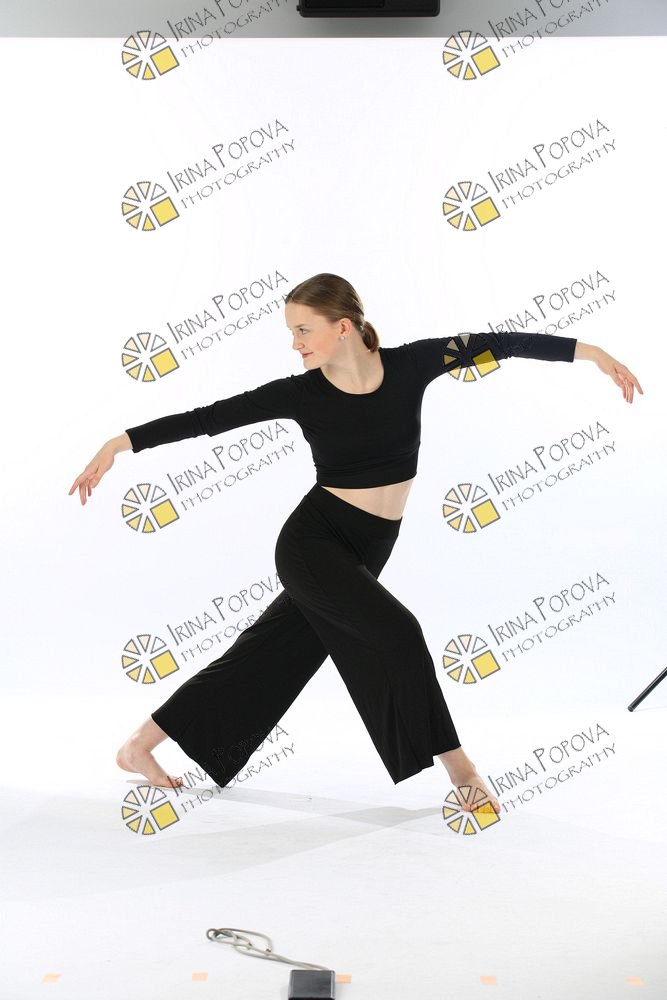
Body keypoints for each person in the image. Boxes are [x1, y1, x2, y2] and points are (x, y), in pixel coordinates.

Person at [69, 274, 643, 814]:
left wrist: (591, 353)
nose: (295, 343)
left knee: (269, 653)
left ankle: (139, 746)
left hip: (371, 546)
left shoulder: (414, 363)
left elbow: (501, 343)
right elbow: (211, 418)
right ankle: (461, 770)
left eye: (303, 330)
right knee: (399, 632)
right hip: (313, 544)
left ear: (342, 326)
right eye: (292, 332)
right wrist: (121, 443)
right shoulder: (303, 393)